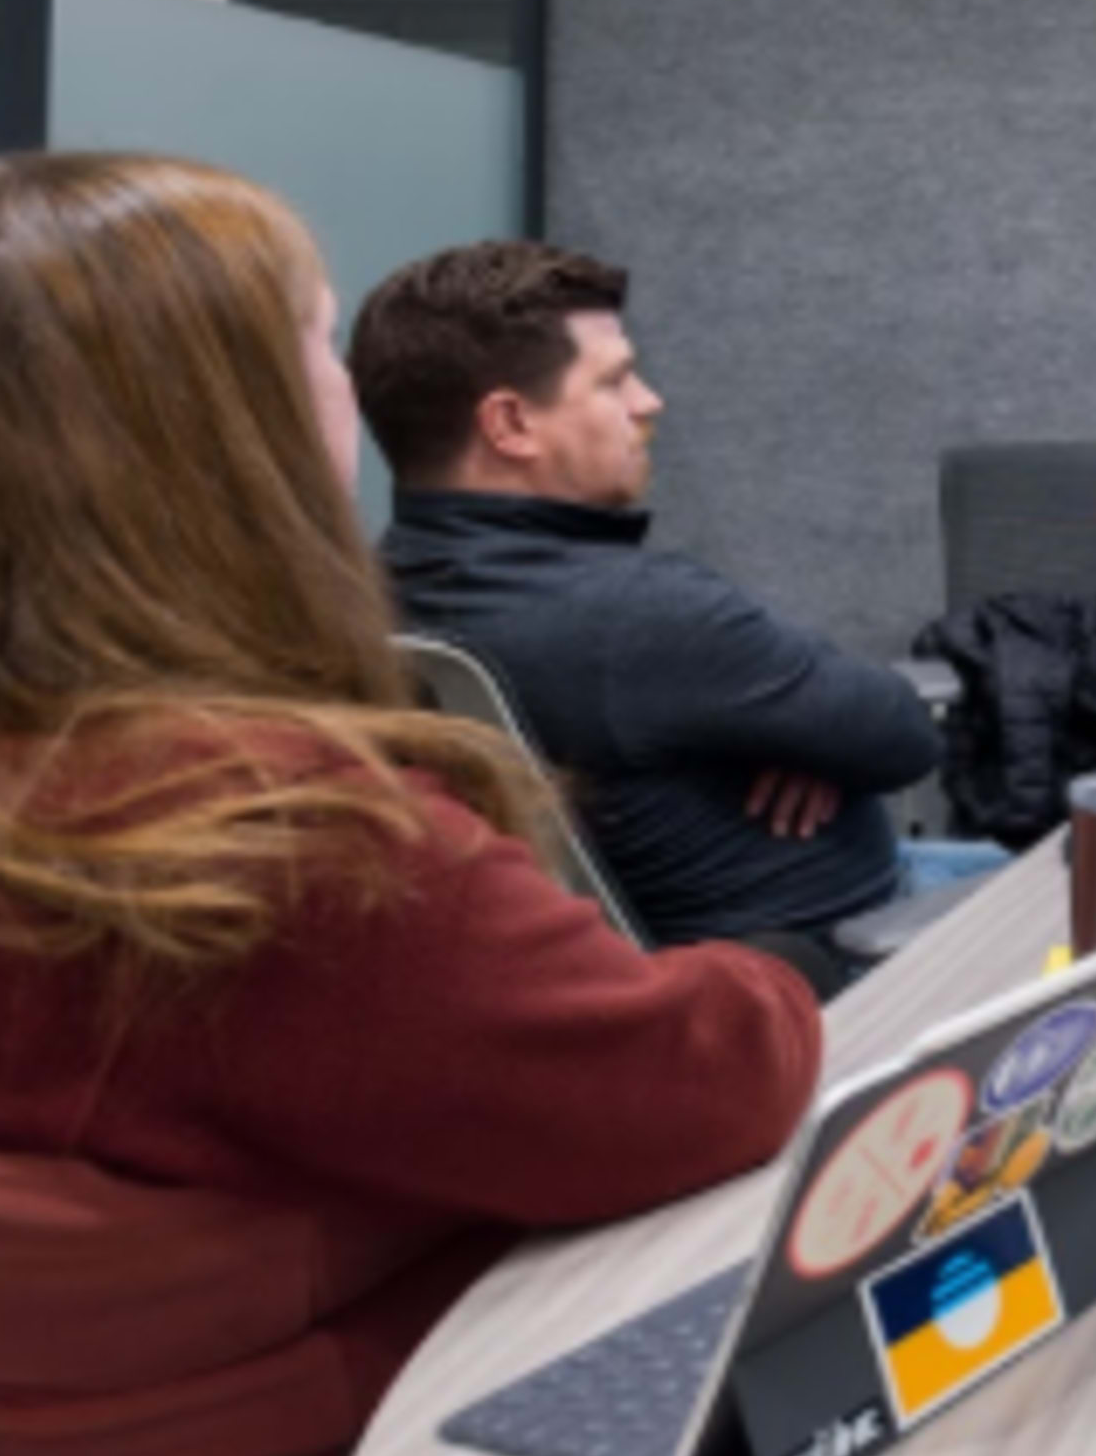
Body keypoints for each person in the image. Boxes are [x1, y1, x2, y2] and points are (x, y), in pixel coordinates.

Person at [0, 154, 821, 1456]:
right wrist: (761, 953)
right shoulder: (236, 833)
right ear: (229, 425)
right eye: (320, 341)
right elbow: (710, 1079)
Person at [346, 240, 980, 951]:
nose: (649, 402)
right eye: (614, 382)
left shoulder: (369, 598)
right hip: (846, 962)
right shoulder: (641, 617)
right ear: (511, 425)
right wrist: (815, 739)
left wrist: (785, 728)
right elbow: (901, 736)